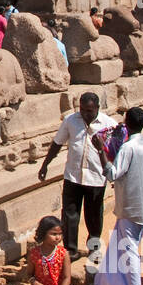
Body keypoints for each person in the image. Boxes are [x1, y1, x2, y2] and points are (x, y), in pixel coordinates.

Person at [38, 92, 117, 260]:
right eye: (82, 110)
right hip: (73, 177)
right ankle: (70, 250)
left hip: (96, 178)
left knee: (94, 216)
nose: (85, 114)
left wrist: (115, 175)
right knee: (69, 216)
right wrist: (45, 164)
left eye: (89, 111)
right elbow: (57, 143)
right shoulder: (71, 121)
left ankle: (94, 248)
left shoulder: (109, 124)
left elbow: (116, 152)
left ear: (97, 108)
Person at [92, 107, 143, 285]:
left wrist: (101, 150)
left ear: (127, 123)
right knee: (123, 249)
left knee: (130, 253)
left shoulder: (128, 148)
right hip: (142, 204)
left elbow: (113, 175)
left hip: (130, 207)